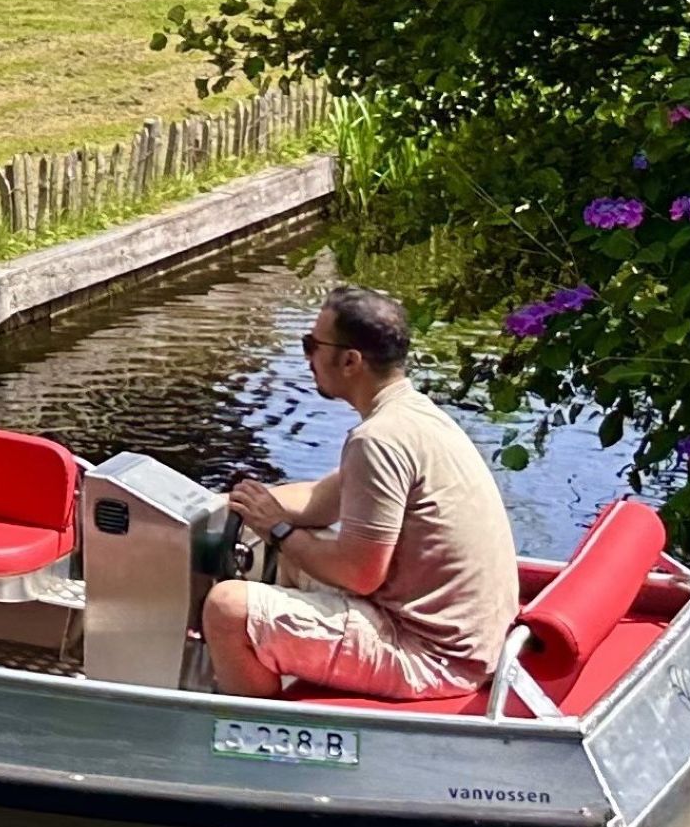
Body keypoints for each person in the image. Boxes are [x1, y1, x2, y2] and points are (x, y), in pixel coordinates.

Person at [202, 283, 518, 703]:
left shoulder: (377, 441)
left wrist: (276, 528)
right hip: (469, 640)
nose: (308, 358)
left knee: (227, 610)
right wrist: (220, 506)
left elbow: (360, 575)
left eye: (311, 345)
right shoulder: (412, 414)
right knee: (290, 555)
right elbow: (318, 500)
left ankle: (256, 739)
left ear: (350, 360)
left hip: (430, 655)